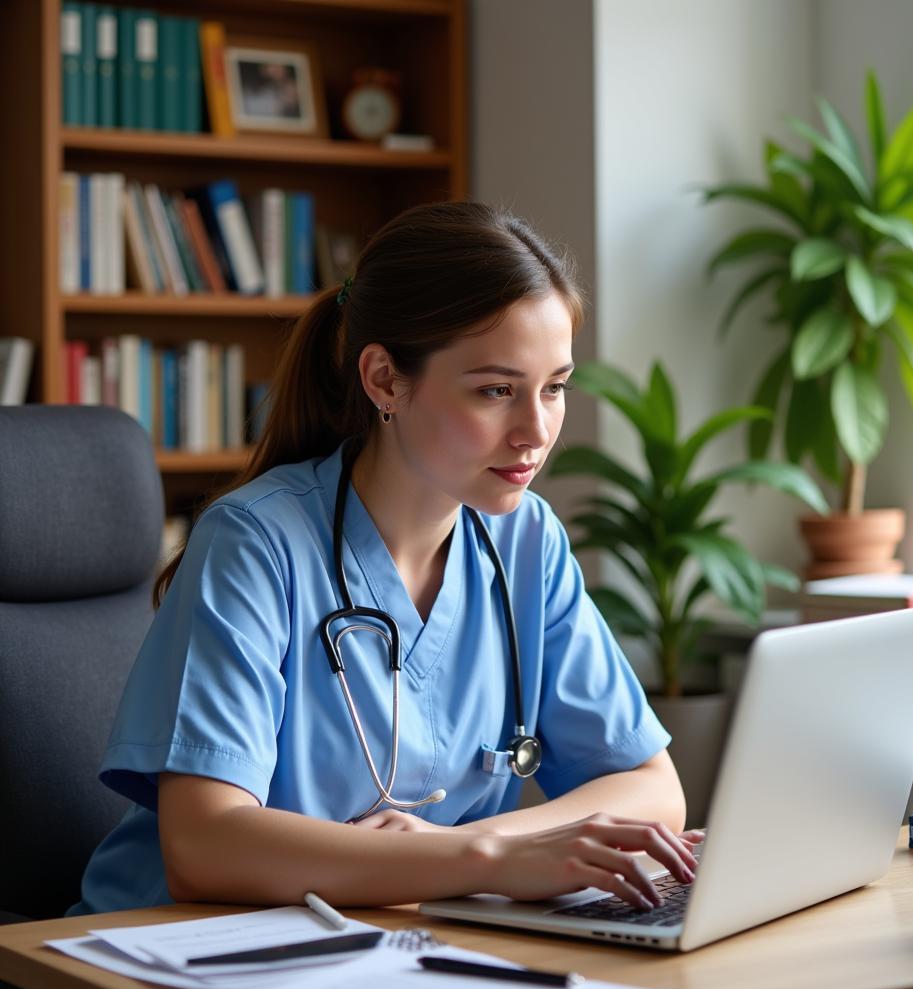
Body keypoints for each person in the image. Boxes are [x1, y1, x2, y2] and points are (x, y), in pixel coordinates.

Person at [69, 201, 700, 917]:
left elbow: (653, 788)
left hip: (396, 941)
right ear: (383, 381)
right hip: (174, 958)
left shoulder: (527, 541)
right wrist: (483, 859)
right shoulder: (256, 542)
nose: (536, 431)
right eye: (496, 390)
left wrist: (469, 849)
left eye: (554, 388)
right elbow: (205, 845)